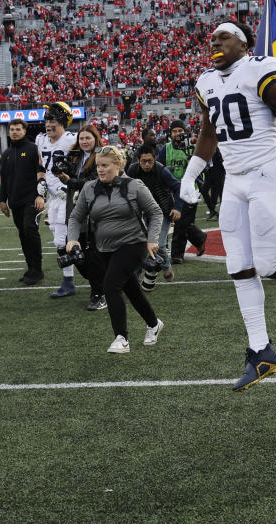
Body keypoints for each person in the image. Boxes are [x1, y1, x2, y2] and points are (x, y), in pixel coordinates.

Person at [184, 20, 276, 391]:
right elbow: (208, 132)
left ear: (243, 43)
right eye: (212, 38)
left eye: (223, 36)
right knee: (238, 267)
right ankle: (261, 350)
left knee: (269, 264)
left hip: (269, 169)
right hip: (234, 178)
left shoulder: (259, 69)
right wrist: (191, 174)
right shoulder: (206, 81)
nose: (215, 42)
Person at [66, 146, 165, 353]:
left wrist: (151, 240)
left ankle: (121, 338)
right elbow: (76, 216)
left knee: (110, 285)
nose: (100, 170)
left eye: (105, 165)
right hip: (103, 248)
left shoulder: (134, 186)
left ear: (118, 165)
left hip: (133, 244)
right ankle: (154, 324)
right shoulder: (89, 188)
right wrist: (72, 240)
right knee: (132, 290)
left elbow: (155, 212)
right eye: (98, 165)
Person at [58, 123, 107, 311]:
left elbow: (93, 181)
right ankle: (103, 283)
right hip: (75, 208)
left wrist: (70, 181)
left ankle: (98, 293)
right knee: (74, 252)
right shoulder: (74, 156)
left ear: (95, 138)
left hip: (95, 210)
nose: (84, 141)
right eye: (81, 138)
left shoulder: (101, 155)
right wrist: (61, 169)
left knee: (93, 253)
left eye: (88, 138)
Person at [125, 143, 185, 289]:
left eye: (150, 161)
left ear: (154, 159)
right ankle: (137, 277)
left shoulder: (162, 170)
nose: (147, 164)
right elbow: (123, 187)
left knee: (159, 243)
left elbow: (178, 188)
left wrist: (177, 208)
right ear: (138, 160)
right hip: (140, 212)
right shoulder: (132, 170)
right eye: (143, 161)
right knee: (138, 245)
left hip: (162, 211)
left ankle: (166, 266)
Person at [37, 102, 79, 298]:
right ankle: (70, 279)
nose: (48, 124)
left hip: (68, 196)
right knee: (57, 239)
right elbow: (40, 166)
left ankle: (69, 281)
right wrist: (41, 184)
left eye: (52, 120)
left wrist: (71, 186)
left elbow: (84, 163)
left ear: (63, 120)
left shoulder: (73, 139)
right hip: (53, 198)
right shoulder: (41, 140)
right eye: (46, 120)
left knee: (63, 240)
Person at [0, 119, 46, 284]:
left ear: (24, 131)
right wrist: (2, 200)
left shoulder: (34, 150)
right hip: (15, 201)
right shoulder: (6, 154)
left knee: (29, 229)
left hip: (32, 200)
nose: (14, 132)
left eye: (18, 129)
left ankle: (37, 270)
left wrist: (41, 196)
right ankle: (31, 268)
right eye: (11, 129)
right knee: (23, 235)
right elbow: (4, 179)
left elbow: (42, 173)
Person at [158, 119, 207, 263]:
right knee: (184, 222)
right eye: (174, 131)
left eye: (180, 131)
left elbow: (203, 165)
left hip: (191, 190)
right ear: (170, 133)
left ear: (185, 132)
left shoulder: (193, 147)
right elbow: (159, 166)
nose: (178, 134)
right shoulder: (165, 148)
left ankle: (177, 255)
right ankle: (199, 238)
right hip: (172, 190)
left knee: (181, 222)